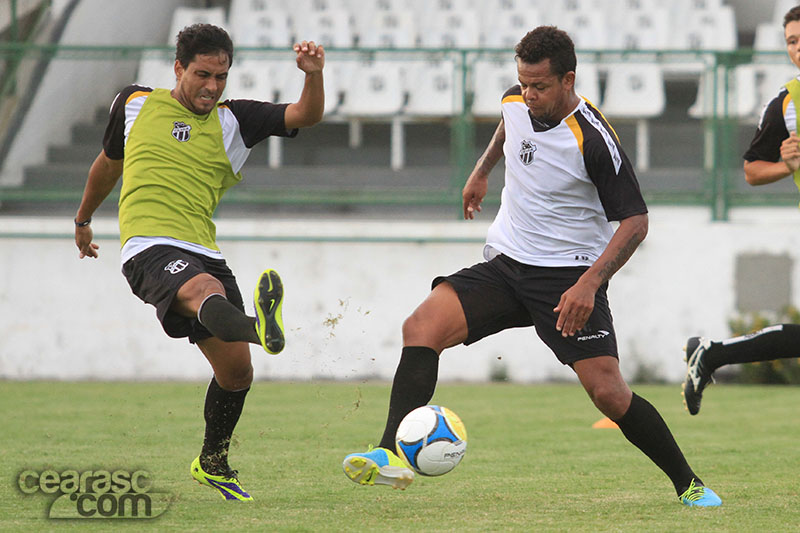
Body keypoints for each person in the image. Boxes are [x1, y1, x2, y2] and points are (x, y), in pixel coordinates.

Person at [341, 26, 721, 507]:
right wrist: (481, 171)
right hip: (507, 263)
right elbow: (507, 124)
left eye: (539, 86)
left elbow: (636, 222)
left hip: (567, 278)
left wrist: (588, 284)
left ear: (568, 79)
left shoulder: (594, 139)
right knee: (421, 326)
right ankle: (388, 453)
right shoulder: (516, 101)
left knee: (608, 393)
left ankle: (689, 484)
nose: (529, 93)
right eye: (523, 83)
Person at [74, 23, 325, 501]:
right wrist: (84, 219)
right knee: (204, 289)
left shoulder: (236, 121)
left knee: (237, 374)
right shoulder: (134, 103)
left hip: (203, 249)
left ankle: (212, 462)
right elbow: (108, 163)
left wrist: (313, 75)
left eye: (222, 77)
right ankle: (259, 327)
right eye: (202, 74)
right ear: (178, 69)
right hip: (148, 247)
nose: (212, 86)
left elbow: (305, 115)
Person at [683, 5, 800, 417]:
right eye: (791, 41)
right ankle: (712, 354)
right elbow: (751, 170)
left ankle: (712, 353)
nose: (798, 49)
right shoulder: (788, 105)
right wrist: (787, 166)